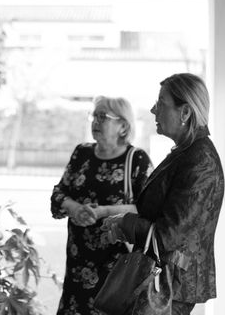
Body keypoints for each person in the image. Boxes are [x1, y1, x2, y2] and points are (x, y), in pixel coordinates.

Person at [102, 73, 225, 315]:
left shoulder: (199, 160)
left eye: (161, 103)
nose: (152, 109)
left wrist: (124, 224)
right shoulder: (186, 152)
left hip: (170, 286)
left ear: (185, 113)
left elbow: (169, 235)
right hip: (163, 279)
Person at [51, 96, 153, 315]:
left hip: (116, 266)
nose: (95, 122)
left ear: (123, 125)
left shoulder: (137, 160)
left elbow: (147, 209)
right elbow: (59, 194)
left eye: (103, 117)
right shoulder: (82, 153)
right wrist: (75, 208)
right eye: (94, 116)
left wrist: (104, 212)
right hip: (79, 262)